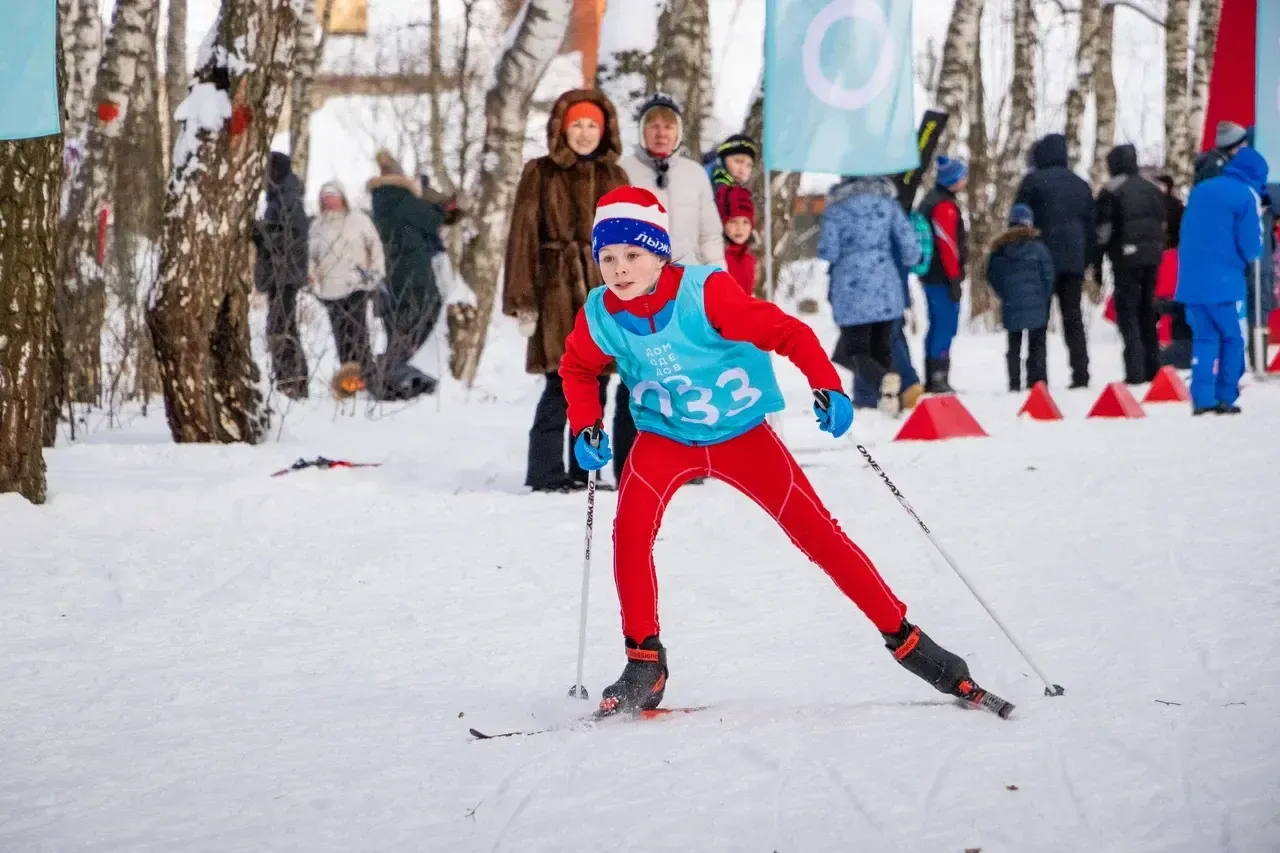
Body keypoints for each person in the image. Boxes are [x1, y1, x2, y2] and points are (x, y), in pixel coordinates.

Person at [557, 185, 990, 716]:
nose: (619, 269)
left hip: (742, 435)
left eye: (633, 255)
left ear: (660, 253)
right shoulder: (600, 313)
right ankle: (645, 663)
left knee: (820, 536)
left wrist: (826, 384)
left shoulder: (705, 294)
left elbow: (787, 333)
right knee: (628, 536)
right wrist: (585, 424)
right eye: (607, 258)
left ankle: (910, 642)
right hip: (665, 437)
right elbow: (578, 367)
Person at [502, 89, 634, 493]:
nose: (584, 133)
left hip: (606, 294)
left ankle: (585, 469)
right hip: (556, 290)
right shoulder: (540, 172)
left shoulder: (616, 176)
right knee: (560, 384)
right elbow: (522, 237)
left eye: (592, 125)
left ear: (604, 129)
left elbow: (633, 242)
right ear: (561, 128)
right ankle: (545, 471)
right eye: (576, 124)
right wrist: (523, 299)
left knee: (600, 385)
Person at [819, 175, 921, 416]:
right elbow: (910, 246)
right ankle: (888, 403)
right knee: (881, 345)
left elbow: (828, 250)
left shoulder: (836, 208)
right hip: (885, 280)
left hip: (850, 283)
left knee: (855, 349)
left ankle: (877, 388)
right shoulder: (888, 203)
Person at [1177, 147, 1268, 414]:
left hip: (1191, 281)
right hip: (1223, 282)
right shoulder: (1245, 196)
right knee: (1232, 339)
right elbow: (1252, 247)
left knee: (1204, 338)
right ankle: (1226, 395)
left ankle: (1202, 398)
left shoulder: (1201, 189)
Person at [1014, 133, 1094, 388]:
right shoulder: (1081, 185)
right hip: (1073, 261)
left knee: (1038, 319)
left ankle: (1037, 377)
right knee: (1073, 317)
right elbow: (1091, 227)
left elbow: (1017, 221)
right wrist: (1089, 259)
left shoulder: (1032, 182)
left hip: (1039, 260)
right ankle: (1080, 373)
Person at [366, 150, 448, 400]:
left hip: (390, 272)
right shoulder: (404, 198)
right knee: (423, 316)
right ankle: (392, 375)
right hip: (414, 268)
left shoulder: (378, 202)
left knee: (398, 326)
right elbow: (433, 220)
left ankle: (388, 374)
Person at [620, 94, 726, 268]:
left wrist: (718, 276)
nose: (661, 133)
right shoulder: (623, 172)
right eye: (653, 126)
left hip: (687, 279)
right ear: (642, 131)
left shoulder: (695, 173)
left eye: (668, 127)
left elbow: (710, 235)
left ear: (678, 133)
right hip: (638, 281)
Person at [1095, 144, 1168, 384]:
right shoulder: (1152, 188)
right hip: (1153, 257)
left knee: (1128, 313)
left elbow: (1103, 231)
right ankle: (1153, 367)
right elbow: (1163, 222)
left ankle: (1135, 371)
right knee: (1147, 310)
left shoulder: (1111, 190)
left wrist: (1097, 262)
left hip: (1126, 259)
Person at [308, 181, 384, 393]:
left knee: (358, 333)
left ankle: (367, 380)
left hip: (356, 284)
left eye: (333, 196)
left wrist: (376, 272)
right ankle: (347, 383)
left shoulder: (359, 220)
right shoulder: (317, 226)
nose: (330, 201)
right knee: (341, 335)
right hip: (330, 289)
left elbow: (375, 246)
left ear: (342, 197)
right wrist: (311, 273)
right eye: (325, 198)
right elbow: (311, 256)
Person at [253, 152, 310, 399]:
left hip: (285, 274)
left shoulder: (288, 198)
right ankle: (289, 379)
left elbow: (289, 237)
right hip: (280, 274)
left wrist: (259, 232)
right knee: (280, 326)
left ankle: (292, 381)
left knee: (281, 327)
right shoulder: (278, 198)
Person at [987, 204, 1055, 392]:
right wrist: (1043, 297)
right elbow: (1048, 276)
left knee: (1013, 345)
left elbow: (992, 276)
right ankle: (1038, 382)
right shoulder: (1039, 249)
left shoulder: (999, 250)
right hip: (1037, 304)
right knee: (1037, 345)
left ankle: (1014, 382)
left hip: (1011, 303)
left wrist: (1005, 294)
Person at [918, 156, 968, 393]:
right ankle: (938, 377)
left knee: (936, 324)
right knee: (945, 325)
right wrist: (955, 278)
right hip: (942, 277)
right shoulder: (944, 205)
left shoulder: (931, 200)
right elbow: (947, 244)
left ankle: (933, 374)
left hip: (931, 274)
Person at [717, 183, 755, 294]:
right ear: (724, 224)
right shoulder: (718, 255)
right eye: (733, 221)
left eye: (745, 222)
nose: (740, 228)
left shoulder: (749, 257)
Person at [1193, 121, 1249, 186]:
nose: (1246, 145)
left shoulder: (1225, 160)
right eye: (1243, 143)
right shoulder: (1215, 167)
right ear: (1234, 145)